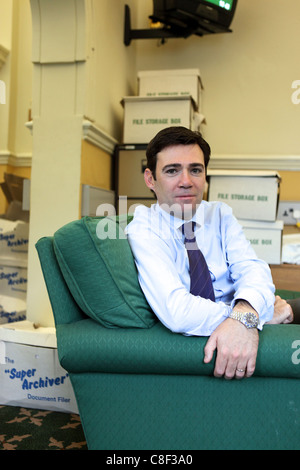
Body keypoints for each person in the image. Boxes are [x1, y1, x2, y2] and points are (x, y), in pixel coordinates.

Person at [126, 126, 295, 380]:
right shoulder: (144, 227)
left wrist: (247, 312)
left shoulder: (219, 214)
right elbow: (177, 311)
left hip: (247, 311)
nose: (187, 181)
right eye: (172, 171)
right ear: (150, 179)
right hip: (238, 322)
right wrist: (251, 317)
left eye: (195, 169)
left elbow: (253, 270)